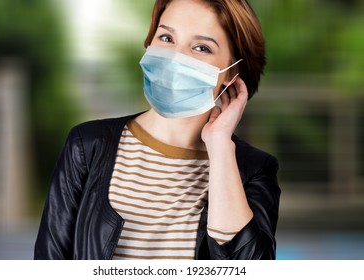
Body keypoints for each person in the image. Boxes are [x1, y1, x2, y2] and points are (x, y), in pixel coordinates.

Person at [34, 0, 280, 260]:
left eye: (201, 47)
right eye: (166, 37)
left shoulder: (254, 169)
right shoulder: (86, 145)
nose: (176, 57)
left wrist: (219, 145)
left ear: (232, 73)